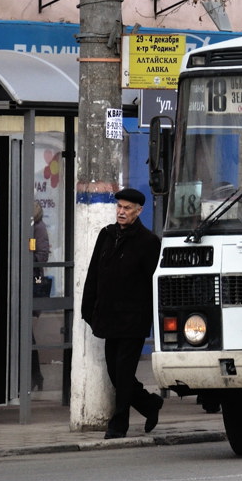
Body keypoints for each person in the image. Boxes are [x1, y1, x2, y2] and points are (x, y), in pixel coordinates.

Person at [80, 188, 164, 439]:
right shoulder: (106, 235)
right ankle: (150, 405)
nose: (121, 212)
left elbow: (153, 284)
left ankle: (119, 425)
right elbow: (94, 272)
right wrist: (88, 307)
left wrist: (151, 318)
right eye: (119, 207)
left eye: (127, 208)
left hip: (133, 319)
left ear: (139, 212)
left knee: (124, 373)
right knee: (115, 374)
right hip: (108, 316)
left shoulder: (148, 242)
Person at [31, 202, 51, 391]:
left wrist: (25, 255)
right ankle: (35, 375)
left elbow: (42, 255)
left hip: (32, 283)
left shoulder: (38, 227)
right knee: (24, 334)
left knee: (26, 333)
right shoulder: (27, 225)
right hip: (21, 283)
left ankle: (35, 375)